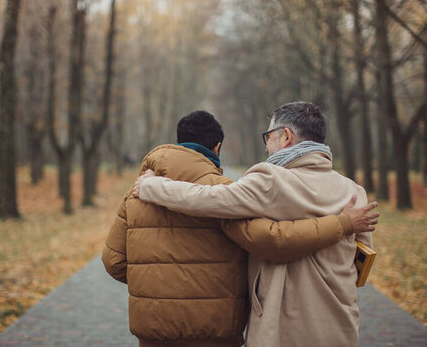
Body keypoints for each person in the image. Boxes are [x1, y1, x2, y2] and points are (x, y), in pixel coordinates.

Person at [103, 110, 378, 347]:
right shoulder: (354, 192)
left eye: (268, 136)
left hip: (152, 329)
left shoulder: (137, 191)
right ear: (217, 147)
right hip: (217, 330)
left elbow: (114, 261)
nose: (267, 145)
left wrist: (158, 285)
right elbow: (356, 268)